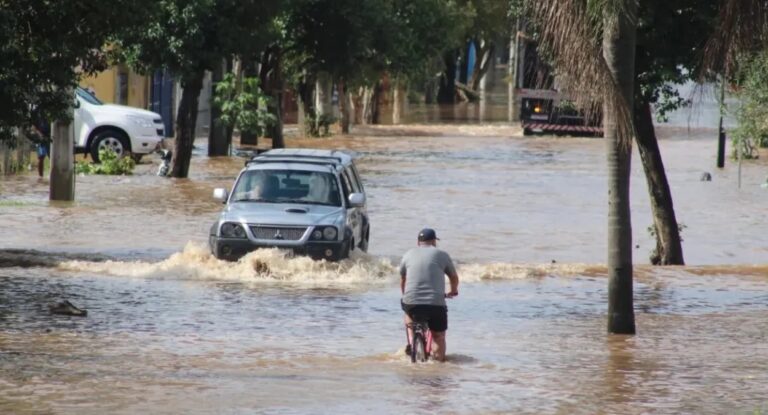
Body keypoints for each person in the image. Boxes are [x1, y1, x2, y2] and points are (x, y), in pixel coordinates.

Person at [400, 228, 459, 362]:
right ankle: (437, 368)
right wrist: (453, 291)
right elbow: (454, 277)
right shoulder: (442, 254)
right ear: (434, 241)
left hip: (412, 303)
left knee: (408, 314)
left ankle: (411, 341)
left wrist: (405, 296)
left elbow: (403, 280)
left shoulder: (408, 254)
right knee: (438, 336)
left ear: (418, 242)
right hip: (435, 304)